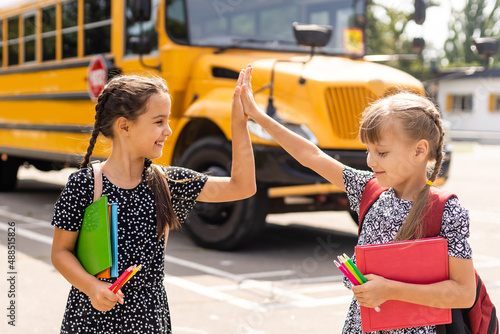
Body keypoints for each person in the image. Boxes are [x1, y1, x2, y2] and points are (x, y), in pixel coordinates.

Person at [238, 65, 476, 333]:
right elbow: (311, 155)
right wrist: (257, 115)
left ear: (419, 150)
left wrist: (390, 290)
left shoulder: (447, 211)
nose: (370, 161)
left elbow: (464, 293)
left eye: (382, 152)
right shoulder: (368, 189)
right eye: (368, 150)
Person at [50, 72, 255, 334]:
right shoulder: (84, 184)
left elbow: (243, 186)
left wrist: (239, 123)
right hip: (91, 319)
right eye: (159, 121)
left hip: (148, 320)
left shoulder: (167, 183)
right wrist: (92, 287)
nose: (168, 131)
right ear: (124, 126)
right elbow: (60, 253)